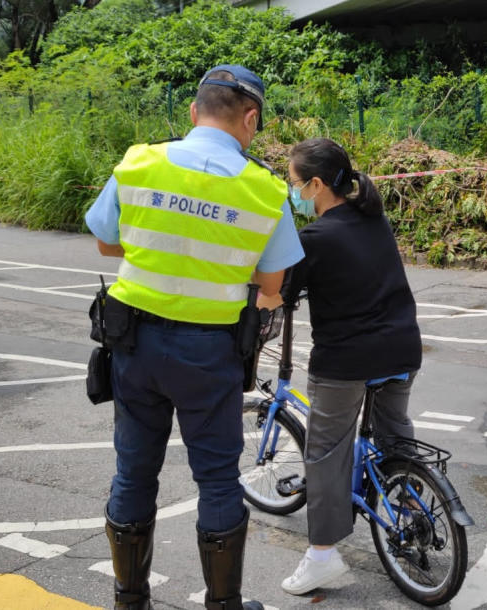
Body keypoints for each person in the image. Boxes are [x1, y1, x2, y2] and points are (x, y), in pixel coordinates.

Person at [85, 65, 303, 610]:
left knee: (133, 472)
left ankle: (129, 599)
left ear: (192, 113)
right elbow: (272, 284)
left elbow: (107, 241)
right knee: (218, 479)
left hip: (133, 343)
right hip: (210, 353)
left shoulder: (139, 163)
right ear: (250, 118)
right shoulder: (264, 189)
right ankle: (223, 605)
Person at [279, 137, 423, 595]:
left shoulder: (314, 237)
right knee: (394, 428)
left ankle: (322, 554)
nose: (294, 192)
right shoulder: (372, 219)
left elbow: (277, 290)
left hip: (345, 361)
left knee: (324, 452)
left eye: (296, 184)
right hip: (402, 347)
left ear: (317, 184)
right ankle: (412, 505)